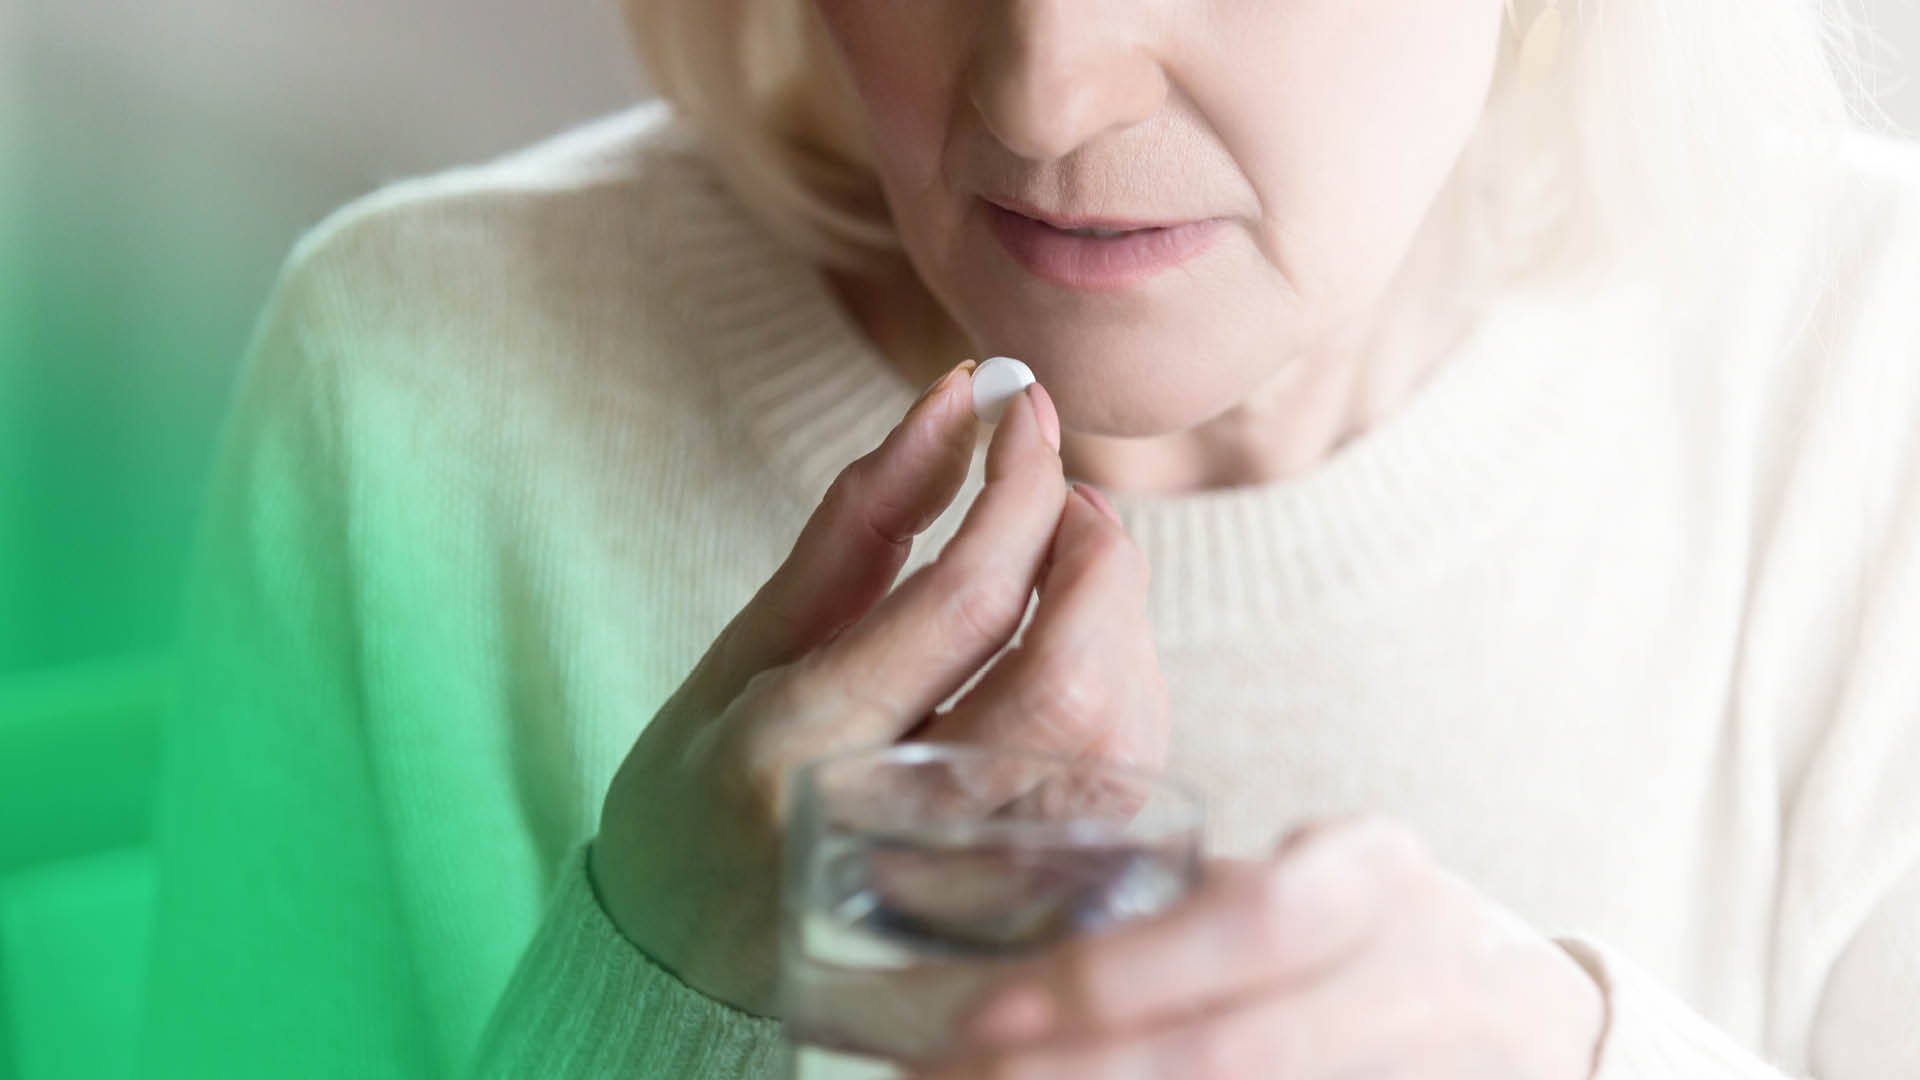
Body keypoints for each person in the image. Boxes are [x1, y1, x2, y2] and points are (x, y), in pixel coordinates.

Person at [143, 0, 1920, 1076]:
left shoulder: (1860, 366)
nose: (1046, 86)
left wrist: (1552, 1056)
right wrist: (663, 984)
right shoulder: (422, 384)